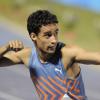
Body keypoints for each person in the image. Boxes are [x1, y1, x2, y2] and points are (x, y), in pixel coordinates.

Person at [0, 10, 100, 100]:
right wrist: (7, 47)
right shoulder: (27, 56)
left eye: (56, 33)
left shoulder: (67, 53)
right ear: (33, 36)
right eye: (48, 35)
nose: (54, 40)